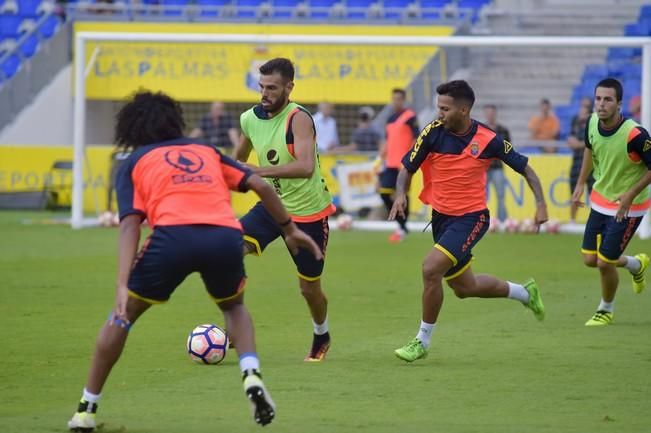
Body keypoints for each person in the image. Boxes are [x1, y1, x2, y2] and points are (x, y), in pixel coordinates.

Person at [67, 91, 323, 431]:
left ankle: (86, 409)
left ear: (132, 127)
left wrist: (121, 283)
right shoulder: (206, 151)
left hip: (171, 238)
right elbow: (260, 184)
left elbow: (130, 224)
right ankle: (250, 375)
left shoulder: (134, 162)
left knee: (122, 317)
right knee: (234, 308)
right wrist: (289, 229)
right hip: (223, 237)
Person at [389, 80, 548, 363]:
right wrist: (401, 194)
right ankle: (524, 293)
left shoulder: (489, 139)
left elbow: (526, 169)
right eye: (438, 107)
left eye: (445, 108)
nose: (439, 113)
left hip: (472, 217)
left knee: (430, 269)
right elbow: (407, 168)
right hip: (441, 219)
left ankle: (421, 341)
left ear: (463, 110)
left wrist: (540, 204)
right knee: (465, 288)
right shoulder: (432, 133)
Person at [233, 58, 336, 362]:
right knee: (227, 251)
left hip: (308, 214)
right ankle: (235, 325)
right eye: (261, 87)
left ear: (289, 87)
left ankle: (321, 333)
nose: (264, 93)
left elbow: (305, 167)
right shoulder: (249, 119)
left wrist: (257, 173)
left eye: (272, 88)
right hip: (271, 206)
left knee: (309, 289)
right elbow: (238, 160)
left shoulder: (299, 118)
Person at [571, 77, 651, 327]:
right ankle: (636, 264)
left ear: (619, 104)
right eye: (598, 99)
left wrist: (629, 194)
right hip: (600, 199)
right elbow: (588, 149)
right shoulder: (592, 122)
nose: (601, 104)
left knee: (605, 263)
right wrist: (579, 184)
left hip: (630, 206)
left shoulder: (635, 134)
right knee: (589, 259)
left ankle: (606, 309)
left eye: (608, 99)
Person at [378, 88, 419, 242]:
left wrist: (411, 159)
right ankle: (402, 225)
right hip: (390, 162)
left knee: (403, 194)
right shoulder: (389, 119)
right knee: (384, 192)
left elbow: (416, 139)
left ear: (404, 100)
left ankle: (402, 226)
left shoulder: (410, 117)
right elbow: (388, 140)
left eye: (399, 99)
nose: (396, 101)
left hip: (403, 163)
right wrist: (381, 156)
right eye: (394, 98)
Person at [483, 104, 511, 223]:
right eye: (488, 113)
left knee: (500, 195)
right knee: (480, 197)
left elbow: (508, 149)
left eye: (492, 113)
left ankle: (502, 221)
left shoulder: (503, 131)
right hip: (482, 169)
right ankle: (479, 220)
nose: (490, 115)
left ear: (495, 114)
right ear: (485, 114)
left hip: (497, 167)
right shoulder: (480, 129)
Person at [567, 98, 594, 223]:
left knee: (594, 194)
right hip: (577, 163)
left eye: (584, 111)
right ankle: (572, 220)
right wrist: (583, 144)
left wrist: (579, 144)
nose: (581, 114)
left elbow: (593, 143)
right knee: (575, 193)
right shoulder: (575, 122)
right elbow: (570, 141)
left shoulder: (593, 123)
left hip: (591, 164)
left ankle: (595, 220)